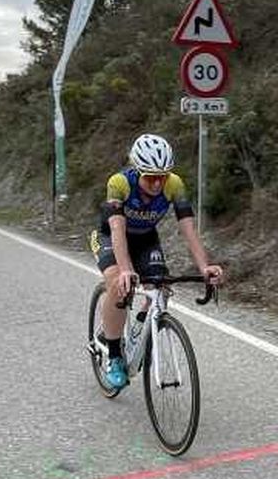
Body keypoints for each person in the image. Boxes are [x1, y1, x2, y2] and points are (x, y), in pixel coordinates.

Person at [90, 134, 224, 390]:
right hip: (110, 237)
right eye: (150, 177)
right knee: (117, 281)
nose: (156, 183)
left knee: (161, 286)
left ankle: (139, 325)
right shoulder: (119, 183)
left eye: (162, 176)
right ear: (137, 170)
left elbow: (188, 228)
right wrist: (127, 270)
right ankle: (115, 355)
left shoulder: (174, 185)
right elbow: (117, 230)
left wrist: (204, 267)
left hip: (145, 239)